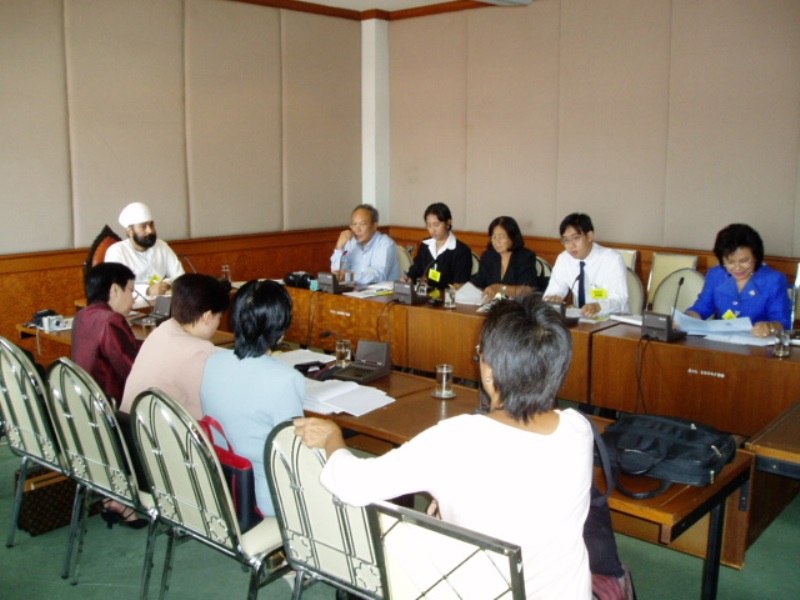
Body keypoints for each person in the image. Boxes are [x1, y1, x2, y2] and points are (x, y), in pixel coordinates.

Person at [295, 295, 593, 599]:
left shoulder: (455, 440)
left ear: (489, 371)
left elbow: (352, 485)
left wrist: (334, 437)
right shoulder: (578, 428)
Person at [201, 280, 304, 517]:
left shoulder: (213, 362)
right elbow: (293, 453)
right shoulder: (286, 379)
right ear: (281, 326)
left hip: (225, 484)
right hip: (268, 497)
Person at [119, 273, 228, 419]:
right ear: (207, 316)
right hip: (158, 435)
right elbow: (210, 411)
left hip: (131, 427)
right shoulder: (201, 350)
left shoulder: (162, 329)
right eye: (219, 317)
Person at [686, 223, 791, 336]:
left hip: (759, 346)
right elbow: (701, 308)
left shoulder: (774, 280)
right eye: (730, 262)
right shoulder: (716, 275)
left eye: (744, 261)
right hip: (722, 343)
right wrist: (685, 319)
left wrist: (769, 328)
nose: (737, 268)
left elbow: (782, 323)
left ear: (756, 257)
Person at [71, 262, 141, 404]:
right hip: (111, 407)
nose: (133, 298)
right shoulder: (111, 320)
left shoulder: (82, 315)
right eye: (131, 290)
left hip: (85, 399)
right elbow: (131, 370)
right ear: (115, 289)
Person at [544, 213, 628, 317]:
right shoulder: (564, 259)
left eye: (576, 238)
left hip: (611, 319)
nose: (571, 245)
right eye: (566, 240)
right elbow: (554, 290)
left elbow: (619, 299)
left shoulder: (612, 259)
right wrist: (553, 298)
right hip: (580, 318)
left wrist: (598, 307)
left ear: (589, 236)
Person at [105, 202, 185, 297]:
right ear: (130, 231)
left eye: (151, 225)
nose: (150, 230)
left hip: (162, 304)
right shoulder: (117, 252)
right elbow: (117, 288)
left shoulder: (161, 246)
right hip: (131, 307)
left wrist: (166, 284)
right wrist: (147, 290)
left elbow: (180, 276)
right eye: (143, 227)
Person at [471, 215, 540, 302]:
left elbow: (527, 290)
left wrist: (500, 288)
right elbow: (479, 282)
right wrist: (463, 287)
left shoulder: (525, 256)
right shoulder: (488, 256)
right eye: (494, 237)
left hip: (517, 307)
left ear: (512, 237)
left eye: (501, 237)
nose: (497, 242)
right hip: (491, 305)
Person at [404, 202, 472, 291]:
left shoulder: (461, 251)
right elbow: (417, 269)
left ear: (448, 223)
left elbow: (460, 283)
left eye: (436, 225)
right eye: (429, 225)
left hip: (448, 300)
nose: (433, 230)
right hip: (425, 298)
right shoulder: (425, 245)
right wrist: (409, 279)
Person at [330, 204, 401, 284]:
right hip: (353, 292)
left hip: (381, 294)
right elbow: (337, 272)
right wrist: (339, 247)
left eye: (362, 224)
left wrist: (349, 277)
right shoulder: (351, 242)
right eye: (354, 224)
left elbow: (379, 276)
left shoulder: (385, 244)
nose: (357, 229)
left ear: (374, 225)